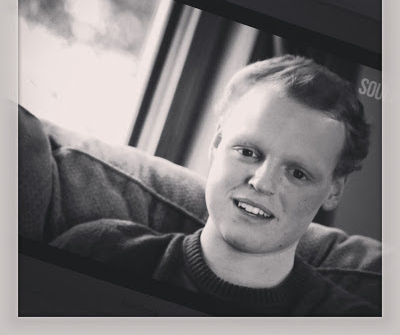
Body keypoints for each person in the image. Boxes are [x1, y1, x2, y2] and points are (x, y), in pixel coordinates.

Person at [51, 55, 379, 316]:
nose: (262, 182)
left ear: (334, 191)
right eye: (248, 152)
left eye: (297, 173)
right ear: (217, 142)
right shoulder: (98, 251)